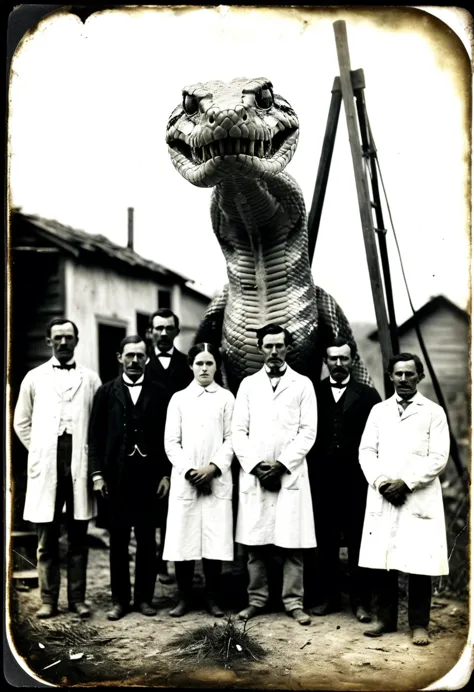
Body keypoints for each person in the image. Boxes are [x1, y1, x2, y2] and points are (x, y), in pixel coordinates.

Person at [358, 353, 450, 646]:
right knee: (384, 560)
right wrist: (382, 482)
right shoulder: (379, 411)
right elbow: (366, 451)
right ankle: (385, 619)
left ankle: (419, 624)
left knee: (418, 562)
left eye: (410, 374)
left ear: (420, 377)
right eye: (398, 374)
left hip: (417, 496)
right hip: (385, 494)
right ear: (391, 377)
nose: (404, 379)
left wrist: (407, 484)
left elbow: (438, 457)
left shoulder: (433, 412)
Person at [13, 318, 101, 619]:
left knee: (78, 538)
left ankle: (77, 600)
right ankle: (49, 600)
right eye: (57, 338)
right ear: (49, 342)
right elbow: (20, 422)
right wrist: (39, 449)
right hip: (47, 465)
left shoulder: (90, 379)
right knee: (47, 540)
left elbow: (99, 423)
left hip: (77, 464)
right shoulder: (34, 378)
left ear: (77, 340)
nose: (63, 342)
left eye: (68, 337)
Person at [232, 324, 317, 625]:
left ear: (288, 347)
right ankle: (256, 600)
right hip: (256, 475)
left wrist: (281, 466)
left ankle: (293, 602)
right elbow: (238, 432)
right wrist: (256, 466)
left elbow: (308, 432)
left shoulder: (303, 384)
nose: (274, 352)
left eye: (279, 346)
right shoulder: (247, 385)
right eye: (268, 346)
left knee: (292, 544)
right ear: (260, 347)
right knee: (256, 543)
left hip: (289, 475)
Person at [88, 335, 169, 621]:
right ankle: (119, 601)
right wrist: (98, 476)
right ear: (119, 357)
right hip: (116, 481)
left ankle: (144, 598)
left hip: (149, 480)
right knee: (119, 541)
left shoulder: (159, 392)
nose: (135, 361)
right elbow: (94, 439)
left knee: (148, 540)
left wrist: (165, 474)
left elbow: (168, 438)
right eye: (129, 355)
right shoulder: (106, 392)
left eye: (140, 356)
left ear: (147, 359)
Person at [307, 338, 381, 622]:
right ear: (325, 361)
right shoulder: (312, 392)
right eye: (333, 358)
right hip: (322, 480)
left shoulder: (367, 395)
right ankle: (329, 598)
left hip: (356, 481)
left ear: (353, 360)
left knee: (357, 540)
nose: (339, 364)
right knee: (324, 541)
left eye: (344, 359)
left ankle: (360, 602)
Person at [163, 343, 235, 617]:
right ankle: (184, 598)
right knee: (185, 540)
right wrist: (191, 471)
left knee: (213, 542)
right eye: (199, 363)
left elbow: (232, 438)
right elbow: (171, 442)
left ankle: (212, 598)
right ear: (191, 366)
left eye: (209, 363)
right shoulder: (179, 399)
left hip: (215, 479)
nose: (204, 368)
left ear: (216, 366)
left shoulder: (227, 398)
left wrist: (213, 468)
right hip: (187, 480)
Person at [145, 308, 193, 584]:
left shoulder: (188, 365)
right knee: (152, 508)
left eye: (168, 328)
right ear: (151, 332)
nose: (163, 333)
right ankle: (156, 565)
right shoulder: (141, 364)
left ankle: (176, 562)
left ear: (176, 331)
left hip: (180, 447)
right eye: (158, 328)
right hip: (148, 447)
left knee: (176, 508)